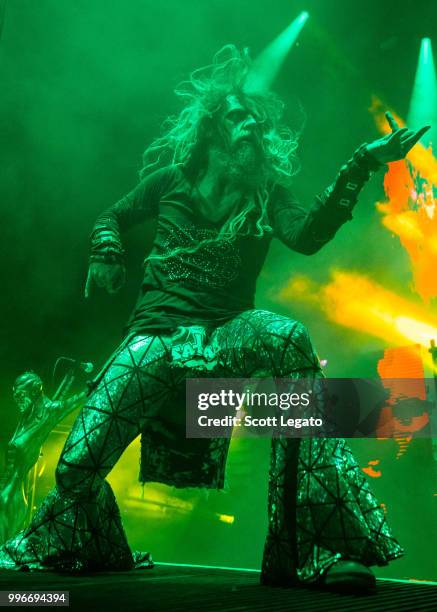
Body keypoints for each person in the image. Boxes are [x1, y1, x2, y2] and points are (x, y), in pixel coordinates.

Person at [0, 45, 429, 590]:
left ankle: (314, 549)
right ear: (212, 134)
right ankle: (98, 550)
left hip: (228, 331)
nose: (249, 125)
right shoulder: (170, 180)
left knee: (290, 338)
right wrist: (106, 250)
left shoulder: (267, 193)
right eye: (236, 118)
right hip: (155, 336)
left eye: (253, 119)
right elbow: (114, 214)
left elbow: (307, 236)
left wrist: (361, 164)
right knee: (74, 470)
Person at [0, 372, 85, 543]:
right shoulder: (27, 415)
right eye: (15, 395)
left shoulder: (49, 411)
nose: (17, 400)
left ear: (33, 391)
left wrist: (88, 389)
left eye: (20, 395)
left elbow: (71, 403)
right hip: (7, 487)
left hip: (13, 491)